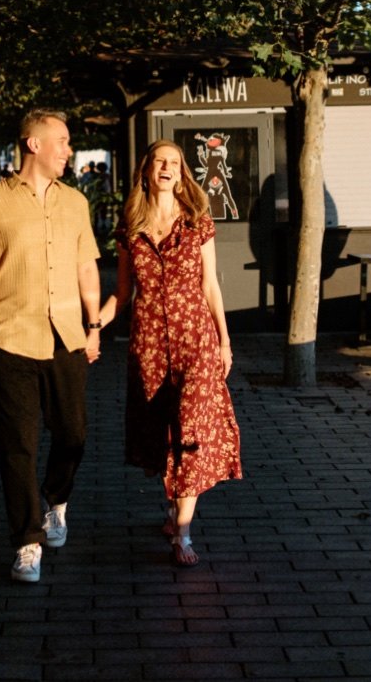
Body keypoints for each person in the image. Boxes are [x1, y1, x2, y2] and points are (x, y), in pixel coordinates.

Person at [0, 109, 104, 584]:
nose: (68, 150)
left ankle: (57, 501)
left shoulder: (75, 203)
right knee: (16, 446)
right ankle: (27, 541)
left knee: (73, 433)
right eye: (62, 140)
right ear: (33, 144)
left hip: (66, 337)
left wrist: (93, 325)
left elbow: (87, 269)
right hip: (9, 337)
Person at [99, 140, 241, 567]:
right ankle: (172, 512)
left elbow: (210, 285)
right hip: (148, 345)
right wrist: (90, 326)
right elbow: (123, 293)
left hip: (196, 338)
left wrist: (225, 340)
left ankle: (183, 531)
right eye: (160, 161)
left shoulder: (197, 220)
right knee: (161, 432)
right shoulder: (130, 226)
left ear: (182, 172)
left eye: (174, 163)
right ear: (146, 170)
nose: (167, 168)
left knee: (192, 426)